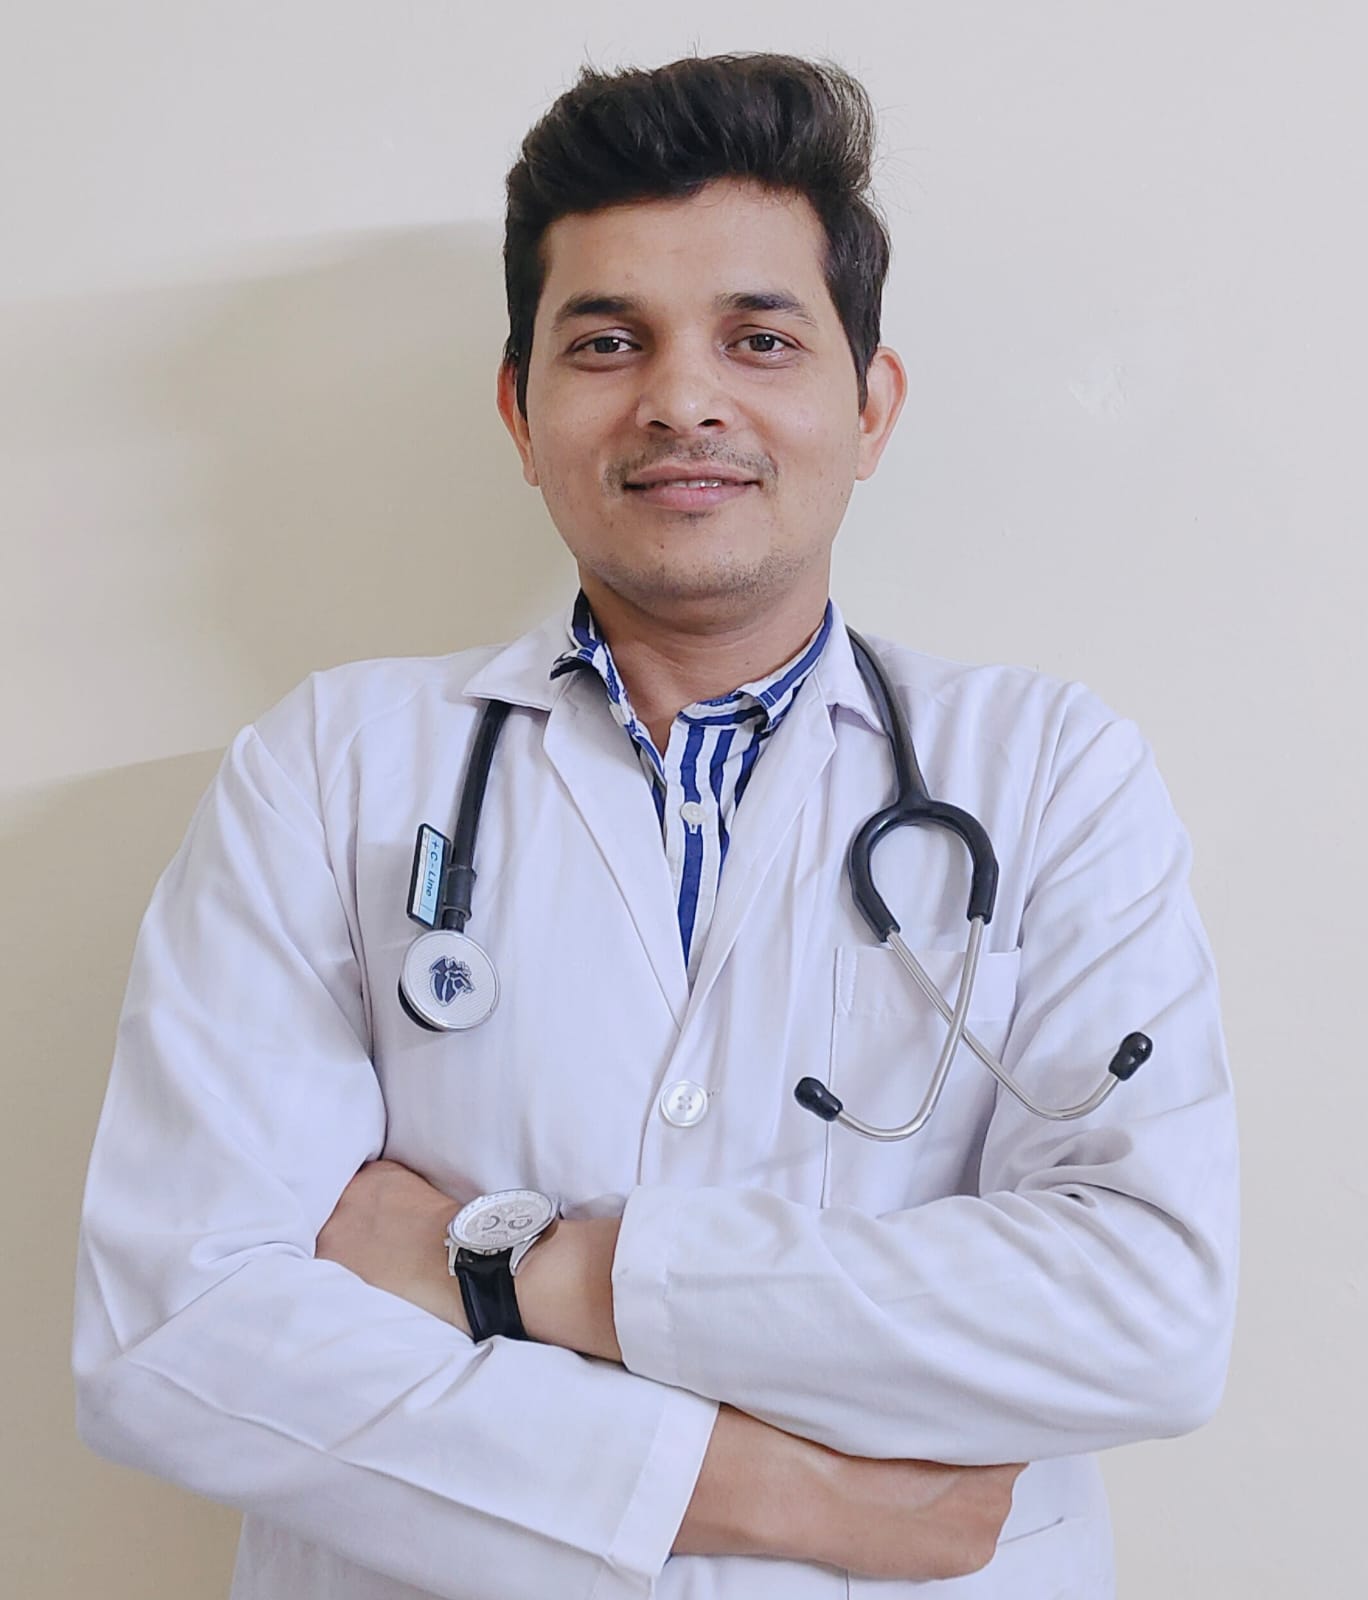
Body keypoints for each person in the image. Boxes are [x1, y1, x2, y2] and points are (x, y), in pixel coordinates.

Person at [73, 52, 1238, 1600]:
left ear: (871, 406)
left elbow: (1147, 1313)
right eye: (608, 342)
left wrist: (528, 1267)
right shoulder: (328, 766)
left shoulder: (1051, 772)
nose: (683, 399)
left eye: (761, 339)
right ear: (520, 407)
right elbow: (177, 1334)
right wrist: (778, 1492)